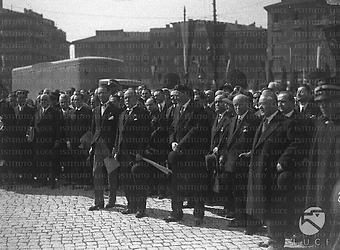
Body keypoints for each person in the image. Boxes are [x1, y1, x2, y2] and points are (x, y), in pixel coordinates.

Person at [245, 89, 299, 250]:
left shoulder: (286, 123)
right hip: (260, 170)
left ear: (274, 104)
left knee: (274, 207)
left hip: (273, 172)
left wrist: (283, 161)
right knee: (264, 206)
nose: (259, 107)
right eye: (259, 104)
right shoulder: (264, 121)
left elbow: (295, 144)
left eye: (263, 104)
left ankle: (277, 242)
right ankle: (271, 237)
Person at [165, 85, 211, 226]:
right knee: (176, 183)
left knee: (196, 185)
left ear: (186, 94)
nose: (175, 97)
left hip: (193, 153)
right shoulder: (176, 109)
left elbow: (196, 130)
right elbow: (172, 127)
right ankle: (176, 212)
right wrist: (173, 142)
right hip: (178, 152)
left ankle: (198, 214)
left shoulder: (198, 109)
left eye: (177, 95)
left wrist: (181, 144)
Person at [303, 77, 340, 250]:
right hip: (320, 182)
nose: (322, 106)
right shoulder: (321, 124)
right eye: (320, 103)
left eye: (327, 102)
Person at [221, 94, 261, 231]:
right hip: (232, 163)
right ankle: (239, 218)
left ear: (247, 104)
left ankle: (250, 221)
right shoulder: (232, 120)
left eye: (241, 105)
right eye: (235, 105)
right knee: (236, 192)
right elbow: (227, 141)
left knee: (246, 193)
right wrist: (224, 156)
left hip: (245, 162)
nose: (238, 108)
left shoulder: (255, 120)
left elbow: (258, 141)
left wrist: (251, 154)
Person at [115, 89, 152, 218]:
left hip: (136, 153)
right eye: (125, 98)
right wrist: (116, 150)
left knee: (139, 181)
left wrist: (140, 152)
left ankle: (141, 208)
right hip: (123, 153)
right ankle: (131, 205)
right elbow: (118, 134)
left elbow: (145, 134)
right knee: (126, 181)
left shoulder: (142, 114)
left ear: (136, 99)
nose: (127, 100)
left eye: (129, 98)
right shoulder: (122, 114)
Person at [88, 85, 122, 211]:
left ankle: (111, 200)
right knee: (96, 172)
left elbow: (118, 131)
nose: (101, 95)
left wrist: (115, 147)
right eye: (99, 93)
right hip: (97, 145)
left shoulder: (116, 110)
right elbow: (93, 129)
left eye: (103, 93)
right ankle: (98, 201)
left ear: (109, 93)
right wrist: (92, 144)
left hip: (109, 145)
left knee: (111, 174)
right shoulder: (96, 110)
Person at [31, 94, 61, 188]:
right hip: (39, 142)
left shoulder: (55, 112)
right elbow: (33, 125)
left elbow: (58, 128)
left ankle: (51, 181)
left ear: (49, 101)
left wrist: (57, 140)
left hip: (50, 141)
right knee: (40, 161)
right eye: (41, 100)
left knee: (50, 162)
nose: (42, 102)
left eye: (44, 100)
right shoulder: (37, 112)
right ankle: (41, 180)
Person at [144, 97, 169, 198]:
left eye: (150, 105)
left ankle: (162, 191)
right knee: (150, 169)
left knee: (160, 169)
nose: (149, 107)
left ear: (155, 104)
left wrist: (149, 137)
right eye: (147, 105)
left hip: (160, 147)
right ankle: (152, 189)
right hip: (150, 147)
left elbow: (160, 130)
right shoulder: (147, 116)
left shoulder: (161, 116)